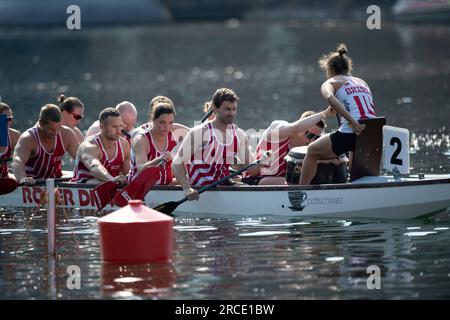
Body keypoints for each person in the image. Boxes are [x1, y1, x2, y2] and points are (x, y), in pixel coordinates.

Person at [300, 43, 375, 185]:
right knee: (353, 149)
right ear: (347, 68)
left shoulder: (331, 82)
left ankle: (300, 192)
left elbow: (330, 98)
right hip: (372, 131)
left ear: (330, 69)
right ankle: (354, 185)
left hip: (353, 130)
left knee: (312, 151)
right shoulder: (362, 82)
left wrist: (352, 122)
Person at [172, 88, 253, 201]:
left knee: (248, 188)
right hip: (200, 190)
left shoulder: (239, 134)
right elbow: (176, 163)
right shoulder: (199, 132)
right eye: (227, 109)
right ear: (215, 108)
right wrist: (187, 189)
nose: (231, 113)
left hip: (224, 185)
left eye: (234, 109)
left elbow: (248, 167)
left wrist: (266, 159)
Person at [243, 108, 336, 185]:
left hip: (284, 184)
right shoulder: (278, 131)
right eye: (310, 135)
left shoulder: (310, 149)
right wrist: (325, 113)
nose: (311, 141)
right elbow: (295, 127)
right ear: (302, 128)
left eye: (316, 138)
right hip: (254, 180)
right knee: (293, 182)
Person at [12, 104, 79, 185]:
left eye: (58, 128)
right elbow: (17, 161)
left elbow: (82, 159)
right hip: (32, 184)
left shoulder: (67, 134)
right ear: (41, 123)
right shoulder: (28, 138)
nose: (55, 133)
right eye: (51, 129)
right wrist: (22, 178)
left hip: (56, 183)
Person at [128, 102, 187, 185]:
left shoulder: (174, 131)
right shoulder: (141, 139)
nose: (167, 127)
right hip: (141, 187)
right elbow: (140, 168)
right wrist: (158, 159)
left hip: (166, 186)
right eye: (162, 122)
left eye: (170, 123)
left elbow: (197, 134)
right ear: (153, 120)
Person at [72, 107, 130, 185]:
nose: (118, 131)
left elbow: (128, 174)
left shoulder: (124, 145)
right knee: (100, 182)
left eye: (120, 126)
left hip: (111, 187)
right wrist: (111, 180)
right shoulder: (89, 146)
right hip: (85, 186)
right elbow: (94, 167)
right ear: (101, 126)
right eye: (114, 127)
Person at [0, 102, 20, 178]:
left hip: (4, 180)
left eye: (10, 119)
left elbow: (21, 162)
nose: (9, 122)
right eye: (6, 119)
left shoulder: (14, 135)